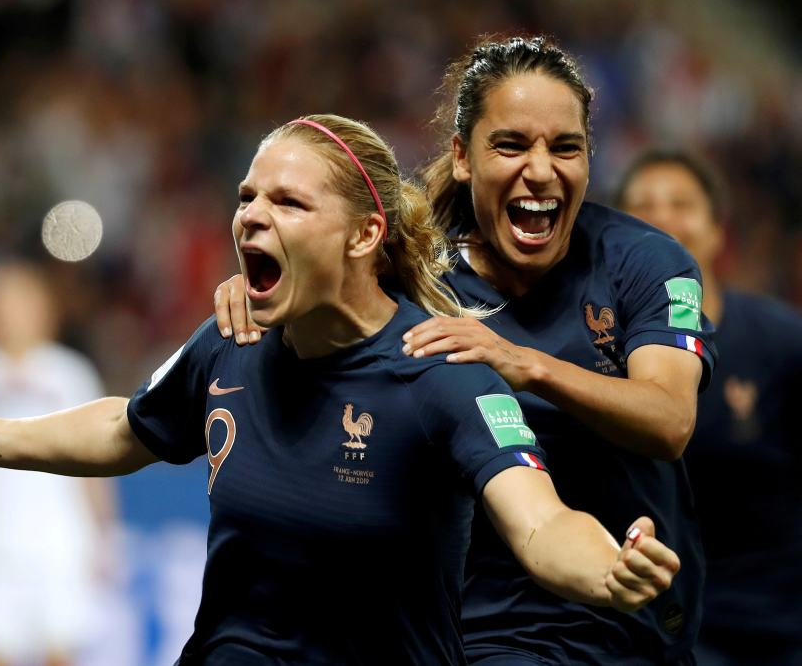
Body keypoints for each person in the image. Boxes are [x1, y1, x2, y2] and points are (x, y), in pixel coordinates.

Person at [0, 114, 679, 666]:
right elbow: (128, 429)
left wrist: (608, 569)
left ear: (364, 234)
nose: (250, 218)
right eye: (246, 197)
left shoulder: (442, 374)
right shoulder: (233, 339)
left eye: (288, 202)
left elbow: (540, 524)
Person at [214, 40, 713, 666]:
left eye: (565, 147)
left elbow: (670, 421)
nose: (540, 170)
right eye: (510, 145)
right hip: (488, 634)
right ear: (461, 158)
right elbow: (315, 286)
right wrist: (260, 290)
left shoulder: (646, 262)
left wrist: (524, 363)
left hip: (641, 621)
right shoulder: (414, 276)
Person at [617, 150, 802, 666]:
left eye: (681, 203)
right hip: (650, 622)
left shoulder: (782, 342)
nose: (662, 219)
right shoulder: (593, 355)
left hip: (776, 622)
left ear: (718, 230)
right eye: (642, 206)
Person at [0, 259, 120, 666]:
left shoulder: (70, 374)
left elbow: (97, 459)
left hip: (62, 541)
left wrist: (105, 533)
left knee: (61, 652)